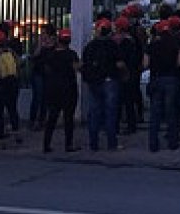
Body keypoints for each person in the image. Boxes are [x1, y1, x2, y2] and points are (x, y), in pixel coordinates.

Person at [80, 18, 123, 152]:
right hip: (110, 81)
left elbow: (83, 64)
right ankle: (112, 143)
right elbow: (119, 64)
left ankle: (94, 144)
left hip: (94, 82)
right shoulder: (113, 45)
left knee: (94, 113)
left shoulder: (90, 46)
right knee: (110, 113)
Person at [146, 17, 180, 152]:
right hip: (171, 79)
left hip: (156, 78)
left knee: (155, 113)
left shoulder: (152, 45)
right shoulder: (174, 44)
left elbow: (145, 64)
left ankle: (153, 144)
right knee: (171, 112)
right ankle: (173, 143)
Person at [41, 28, 80, 153]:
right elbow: (77, 68)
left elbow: (45, 69)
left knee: (52, 117)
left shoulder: (50, 54)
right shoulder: (71, 54)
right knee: (68, 118)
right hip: (68, 88)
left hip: (53, 88)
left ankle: (46, 144)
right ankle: (68, 144)